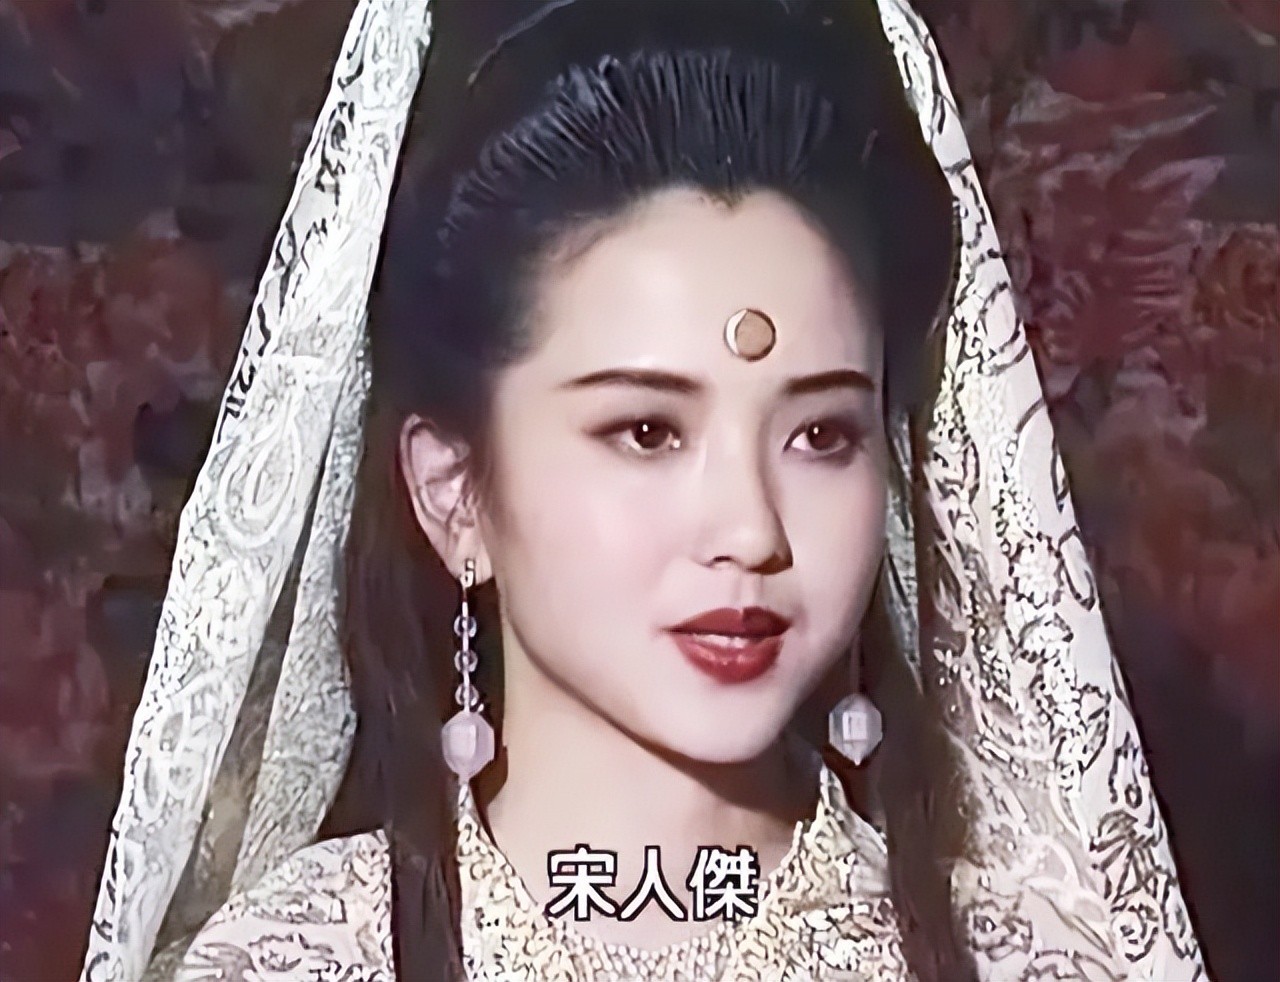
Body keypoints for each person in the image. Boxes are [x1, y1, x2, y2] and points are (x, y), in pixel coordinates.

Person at [80, 1, 1207, 980]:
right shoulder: (298, 962)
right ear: (453, 490)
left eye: (820, 434)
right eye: (647, 431)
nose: (751, 530)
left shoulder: (1019, 959)